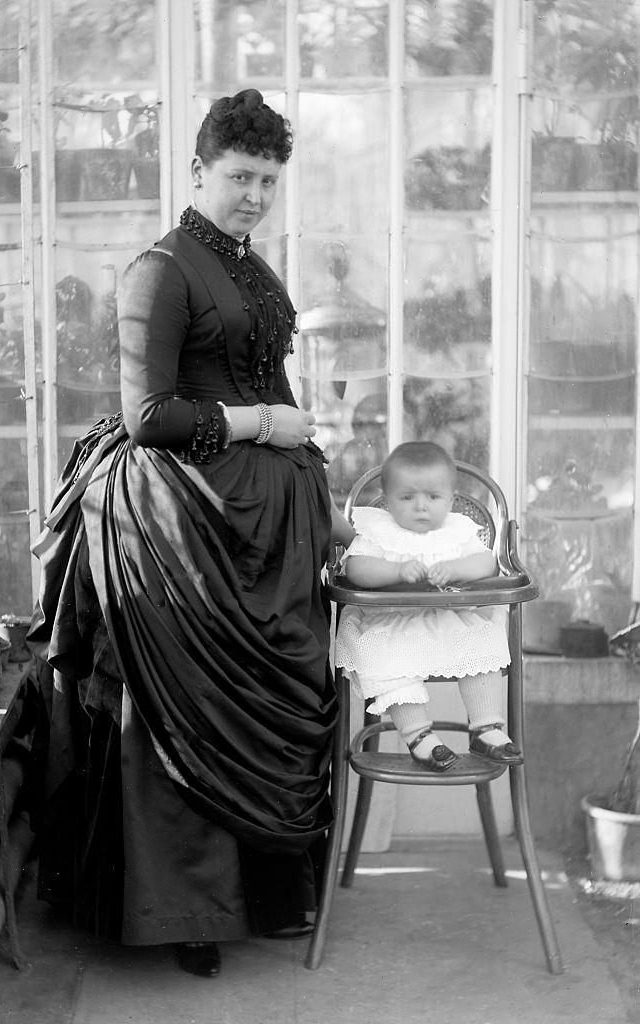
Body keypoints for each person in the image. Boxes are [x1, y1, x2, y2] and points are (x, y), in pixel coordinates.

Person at [27, 88, 354, 980]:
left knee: (275, 697)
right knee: (190, 712)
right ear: (200, 170)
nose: (254, 194)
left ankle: (265, 896)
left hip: (265, 526)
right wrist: (261, 427)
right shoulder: (160, 270)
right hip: (183, 520)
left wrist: (309, 461)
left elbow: (266, 376)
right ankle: (187, 912)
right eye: (241, 176)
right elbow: (146, 416)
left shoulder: (251, 266)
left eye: (269, 181)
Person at [334, 441, 523, 772]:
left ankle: (486, 727)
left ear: (451, 500)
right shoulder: (377, 530)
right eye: (407, 498)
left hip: (447, 617)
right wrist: (396, 571)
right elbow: (356, 569)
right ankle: (419, 735)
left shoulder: (458, 530)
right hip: (389, 622)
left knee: (482, 638)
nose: (421, 506)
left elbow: (486, 564)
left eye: (433, 498)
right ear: (388, 500)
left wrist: (456, 569)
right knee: (383, 653)